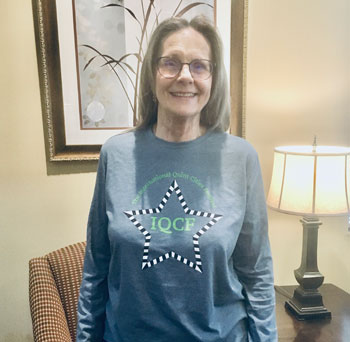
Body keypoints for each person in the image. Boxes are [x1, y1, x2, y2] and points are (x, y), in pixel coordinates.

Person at [76, 15, 277, 342]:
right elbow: (96, 271)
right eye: (170, 63)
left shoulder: (241, 158)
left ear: (213, 78)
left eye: (199, 66)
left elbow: (257, 274)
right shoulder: (116, 154)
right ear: (152, 75)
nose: (185, 76)